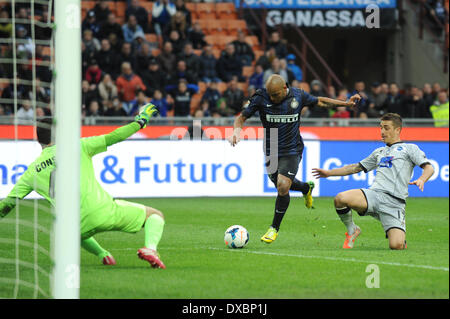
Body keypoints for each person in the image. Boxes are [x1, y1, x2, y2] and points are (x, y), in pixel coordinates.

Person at [0, 105, 167, 268]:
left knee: (67, 224)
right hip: (104, 212)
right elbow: (115, 136)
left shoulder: (31, 173)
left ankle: (103, 254)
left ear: (39, 139)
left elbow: (7, 204)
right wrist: (140, 122)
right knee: (154, 215)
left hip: (73, 229)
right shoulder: (78, 146)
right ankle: (150, 249)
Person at [229, 74, 361, 243]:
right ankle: (306, 188)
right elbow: (241, 118)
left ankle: (273, 229)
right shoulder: (261, 97)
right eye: (270, 94)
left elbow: (320, 101)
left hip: (292, 148)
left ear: (285, 88)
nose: (272, 98)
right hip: (271, 149)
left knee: (283, 186)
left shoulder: (298, 95)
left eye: (275, 94)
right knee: (279, 182)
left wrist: (345, 103)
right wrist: (236, 131)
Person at [312, 113, 434, 250]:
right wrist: (329, 173)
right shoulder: (379, 152)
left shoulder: (410, 148)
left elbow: (429, 168)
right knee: (341, 198)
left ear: (398, 130)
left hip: (395, 204)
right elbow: (355, 168)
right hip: (375, 196)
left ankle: (398, 234)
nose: (382, 131)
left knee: (396, 246)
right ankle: (352, 229)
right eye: (381, 127)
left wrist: (422, 179)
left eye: (386, 128)